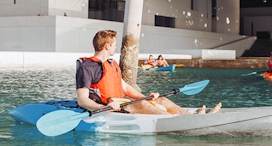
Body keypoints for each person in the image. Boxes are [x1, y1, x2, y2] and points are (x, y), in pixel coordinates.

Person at [76, 30, 220, 115]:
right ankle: (186, 122)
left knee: (160, 100)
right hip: (110, 107)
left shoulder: (111, 64)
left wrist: (146, 97)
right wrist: (104, 108)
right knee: (143, 106)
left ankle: (191, 117)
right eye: (114, 45)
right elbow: (82, 100)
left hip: (122, 103)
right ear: (107, 46)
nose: (115, 47)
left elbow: (125, 88)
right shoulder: (87, 67)